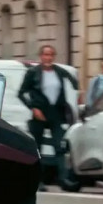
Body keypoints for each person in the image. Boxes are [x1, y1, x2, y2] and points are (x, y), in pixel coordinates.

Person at [18, 45, 79, 189]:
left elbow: (74, 84)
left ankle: (63, 179)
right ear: (41, 56)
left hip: (56, 113)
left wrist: (76, 91)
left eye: (51, 55)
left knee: (59, 146)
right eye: (46, 55)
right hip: (39, 113)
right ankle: (37, 181)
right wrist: (33, 108)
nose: (48, 58)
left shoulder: (60, 71)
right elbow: (21, 93)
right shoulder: (33, 73)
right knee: (37, 148)